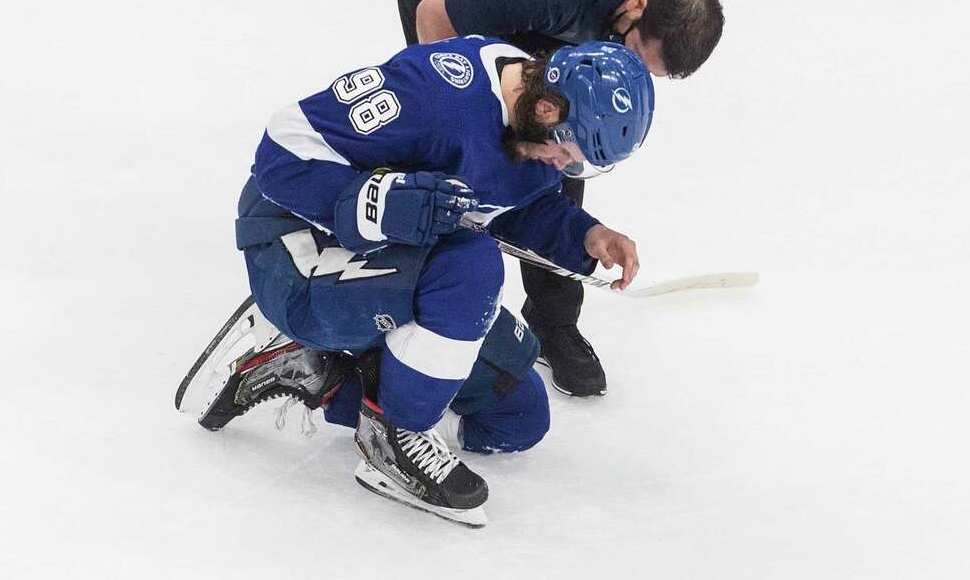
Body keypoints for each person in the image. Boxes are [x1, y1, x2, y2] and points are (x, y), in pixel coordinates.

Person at [176, 36, 654, 527]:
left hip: (398, 260)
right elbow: (281, 150)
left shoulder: (530, 125)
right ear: (548, 109)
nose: (563, 167)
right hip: (296, 244)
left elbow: (514, 195)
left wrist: (586, 233)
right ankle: (394, 435)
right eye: (567, 154)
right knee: (474, 268)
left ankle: (315, 371)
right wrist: (376, 202)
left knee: (518, 415)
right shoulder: (433, 95)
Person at [373, 0, 724, 396]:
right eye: (632, 54)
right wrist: (457, 116)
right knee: (452, 124)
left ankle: (553, 321)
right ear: (636, 5)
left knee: (562, 130)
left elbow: (569, 133)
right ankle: (407, 291)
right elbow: (436, 15)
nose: (629, 73)